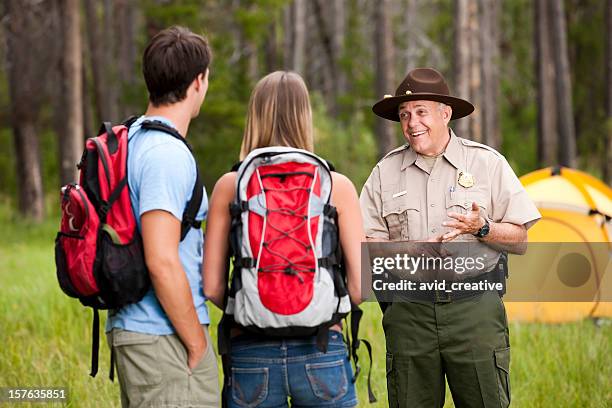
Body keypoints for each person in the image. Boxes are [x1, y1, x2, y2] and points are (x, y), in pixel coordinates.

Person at [360, 67, 541, 408]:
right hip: (409, 313)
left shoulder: (486, 164)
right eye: (404, 115)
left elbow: (520, 240)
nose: (412, 123)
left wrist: (482, 228)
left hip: (474, 311)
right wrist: (408, 251)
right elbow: (364, 246)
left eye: (421, 112)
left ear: (446, 113)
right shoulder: (384, 173)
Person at [203, 71, 363, 408]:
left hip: (249, 352)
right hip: (323, 349)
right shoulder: (338, 186)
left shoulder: (229, 185)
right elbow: (361, 288)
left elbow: (212, 288)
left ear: (254, 116)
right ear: (305, 117)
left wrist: (256, 308)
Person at [105, 26, 219, 407]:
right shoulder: (165, 154)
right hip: (162, 335)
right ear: (199, 81)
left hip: (140, 329)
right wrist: (196, 341)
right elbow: (161, 259)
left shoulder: (132, 138)